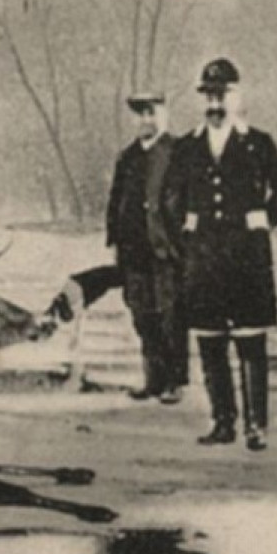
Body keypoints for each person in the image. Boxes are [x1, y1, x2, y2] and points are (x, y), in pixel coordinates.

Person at [162, 58, 277, 451]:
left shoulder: (259, 143)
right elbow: (169, 199)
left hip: (247, 258)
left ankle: (257, 426)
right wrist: (184, 240)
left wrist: (264, 219)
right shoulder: (187, 146)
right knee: (210, 343)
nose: (215, 103)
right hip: (203, 259)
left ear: (238, 96)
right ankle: (223, 422)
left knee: (250, 343)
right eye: (208, 95)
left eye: (222, 94)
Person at [105, 92, 185, 404]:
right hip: (133, 250)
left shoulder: (178, 153)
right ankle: (153, 379)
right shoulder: (127, 157)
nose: (145, 121)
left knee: (171, 316)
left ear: (165, 116)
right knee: (142, 316)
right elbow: (116, 202)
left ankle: (174, 383)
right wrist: (114, 241)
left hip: (166, 250)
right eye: (140, 115)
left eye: (152, 113)